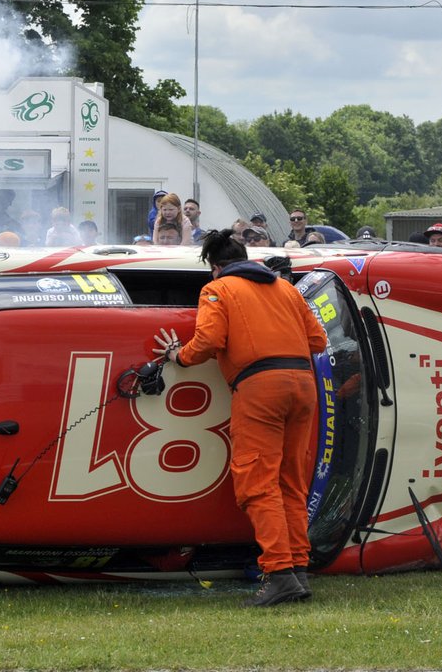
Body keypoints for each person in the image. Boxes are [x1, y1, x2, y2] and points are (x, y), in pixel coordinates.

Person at [152, 229, 327, 607]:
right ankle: (298, 570)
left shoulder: (217, 289)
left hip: (260, 387)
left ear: (215, 268)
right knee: (291, 483)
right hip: (303, 385)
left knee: (257, 483)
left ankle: (279, 573)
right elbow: (319, 341)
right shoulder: (286, 289)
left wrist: (177, 357)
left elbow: (210, 339)